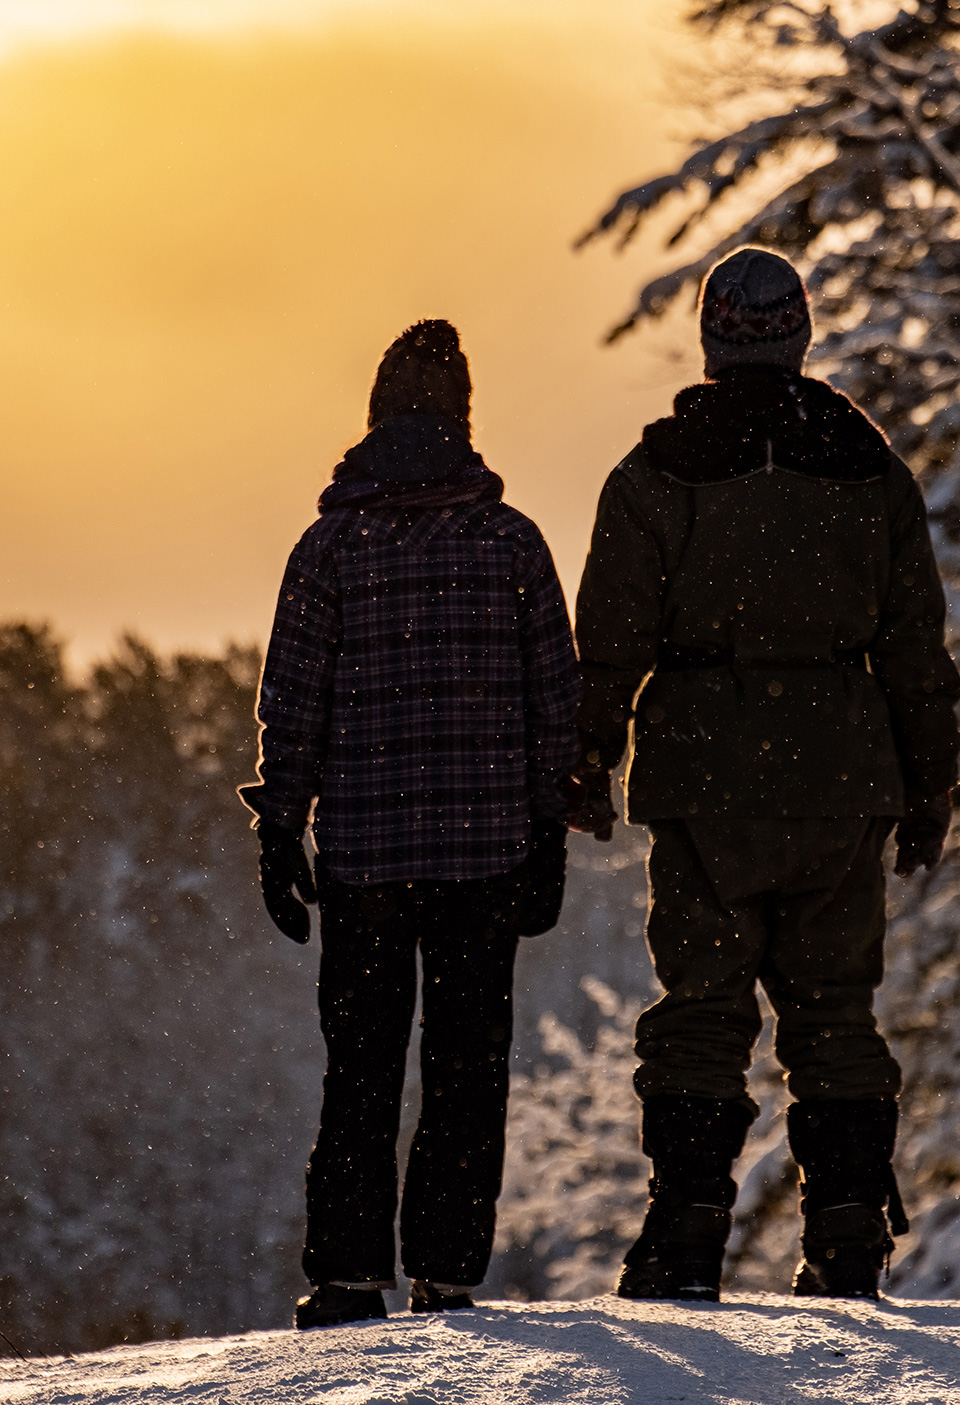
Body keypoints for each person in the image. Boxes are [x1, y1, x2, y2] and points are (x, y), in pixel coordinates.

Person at [570, 248, 960, 1303]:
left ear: (711, 337)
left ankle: (687, 1225)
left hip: (704, 776)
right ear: (802, 334)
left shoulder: (657, 472)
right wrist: (933, 787)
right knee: (835, 1008)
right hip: (843, 775)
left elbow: (609, 636)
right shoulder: (867, 471)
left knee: (700, 1003)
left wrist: (588, 755)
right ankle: (844, 1233)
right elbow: (917, 648)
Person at [239, 320, 580, 1328]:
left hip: (366, 859)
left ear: (378, 416)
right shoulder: (511, 544)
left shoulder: (332, 546)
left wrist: (280, 824)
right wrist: (549, 827)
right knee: (466, 1068)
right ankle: (446, 1272)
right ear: (462, 418)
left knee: (362, 1067)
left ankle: (348, 1274)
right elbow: (552, 699)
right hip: (484, 856)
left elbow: (291, 697)